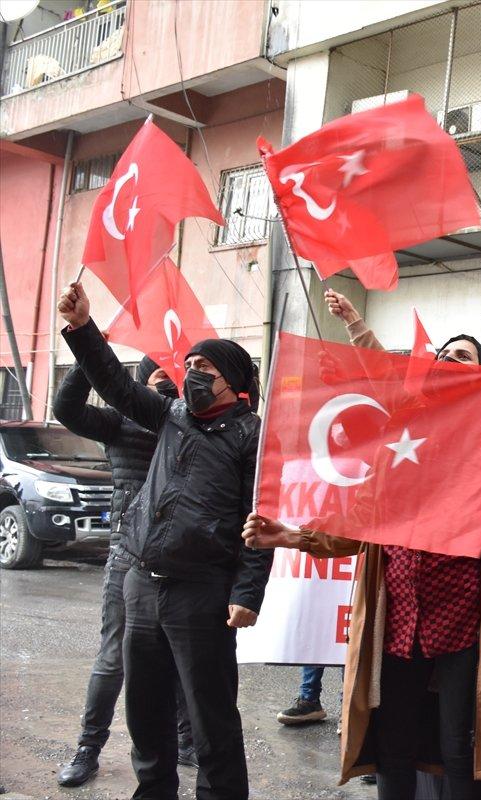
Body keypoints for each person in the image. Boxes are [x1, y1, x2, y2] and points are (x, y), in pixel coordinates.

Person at [243, 290, 481, 800]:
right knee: (393, 744)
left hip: (467, 620)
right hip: (398, 619)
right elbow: (363, 521)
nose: (447, 360)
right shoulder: (404, 429)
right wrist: (293, 536)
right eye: (442, 354)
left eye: (462, 355)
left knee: (458, 747)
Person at [56, 282, 271, 800]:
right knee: (146, 710)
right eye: (189, 367)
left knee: (208, 715)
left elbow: (260, 524)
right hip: (142, 584)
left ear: (234, 383)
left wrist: (247, 594)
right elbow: (115, 386)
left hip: (203, 592)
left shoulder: (253, 437)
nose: (191, 377)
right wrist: (83, 330)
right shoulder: (171, 416)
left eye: (205, 370)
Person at [52, 358, 197, 787]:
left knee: (183, 656)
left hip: (182, 558)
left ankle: (187, 741)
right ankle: (87, 748)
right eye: (160, 378)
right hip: (128, 556)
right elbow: (67, 408)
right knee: (114, 657)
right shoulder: (119, 422)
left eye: (176, 378)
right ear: (140, 382)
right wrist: (86, 356)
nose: (169, 386)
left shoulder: (191, 423)